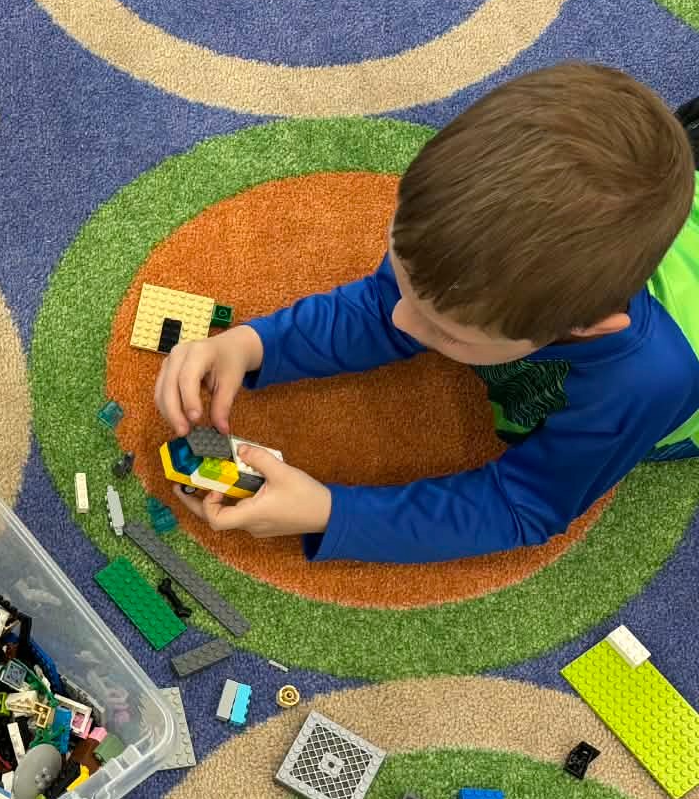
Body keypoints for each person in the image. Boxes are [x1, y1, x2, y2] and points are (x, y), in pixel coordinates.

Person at [155, 64, 699, 564]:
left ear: (581, 326)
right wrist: (248, 345)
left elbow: (522, 505)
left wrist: (330, 512)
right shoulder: (465, 244)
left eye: (445, 331)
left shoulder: (645, 382)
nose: (399, 321)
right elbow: (377, 308)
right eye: (404, 279)